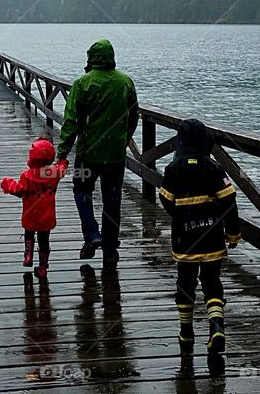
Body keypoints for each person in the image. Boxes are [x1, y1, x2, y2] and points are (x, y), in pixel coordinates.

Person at [158, 119, 242, 357]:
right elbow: (229, 201)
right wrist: (233, 233)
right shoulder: (214, 167)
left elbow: (165, 199)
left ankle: (186, 332)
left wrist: (180, 214)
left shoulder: (173, 169)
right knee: (212, 282)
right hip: (212, 236)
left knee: (185, 283)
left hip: (185, 239)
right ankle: (216, 327)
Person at [56, 39, 138, 267]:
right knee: (112, 199)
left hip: (87, 155)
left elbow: (71, 121)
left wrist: (62, 153)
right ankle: (110, 249)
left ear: (91, 58)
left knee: (81, 190)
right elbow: (134, 114)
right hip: (115, 156)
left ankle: (92, 234)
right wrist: (124, 139)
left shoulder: (82, 83)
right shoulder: (125, 82)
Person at [1, 137, 68, 278]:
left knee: (29, 233)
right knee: (44, 241)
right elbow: (62, 169)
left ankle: (28, 256)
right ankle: (42, 267)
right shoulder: (53, 173)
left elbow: (19, 190)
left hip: (31, 215)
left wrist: (7, 184)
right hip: (46, 216)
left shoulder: (27, 175)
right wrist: (63, 161)